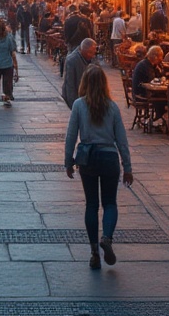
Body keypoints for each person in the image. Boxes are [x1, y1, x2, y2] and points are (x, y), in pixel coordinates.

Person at [65, 65, 133, 270]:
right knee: (110, 203)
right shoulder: (112, 107)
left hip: (88, 159)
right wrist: (127, 167)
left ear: (84, 83)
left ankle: (94, 251)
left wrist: (68, 161)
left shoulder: (78, 105)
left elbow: (70, 136)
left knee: (91, 204)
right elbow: (122, 140)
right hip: (109, 158)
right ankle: (107, 238)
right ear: (104, 84)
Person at [61, 38, 97, 107]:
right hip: (77, 98)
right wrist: (74, 105)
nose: (92, 55)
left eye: (93, 52)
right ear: (83, 51)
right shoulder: (72, 60)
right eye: (90, 53)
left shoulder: (91, 58)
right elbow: (70, 85)